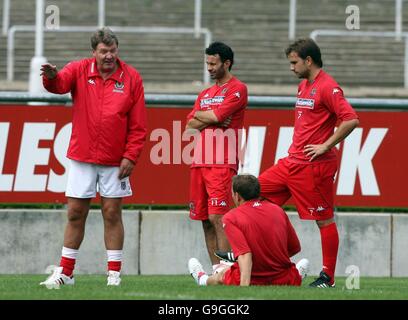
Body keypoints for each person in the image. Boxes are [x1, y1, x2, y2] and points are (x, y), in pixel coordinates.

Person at [39, 27, 147, 287]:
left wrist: (131, 156)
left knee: (111, 213)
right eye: (103, 51)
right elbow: (59, 84)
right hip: (82, 156)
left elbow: (139, 124)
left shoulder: (131, 78)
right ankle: (66, 272)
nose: (108, 56)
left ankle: (114, 275)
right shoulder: (79, 69)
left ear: (117, 50)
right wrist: (51, 78)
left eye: (112, 50)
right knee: (75, 213)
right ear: (94, 52)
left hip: (115, 160)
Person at [185, 42, 248, 274]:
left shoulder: (238, 88)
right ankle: (216, 270)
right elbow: (190, 123)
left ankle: (229, 270)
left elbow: (218, 114)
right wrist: (213, 118)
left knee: (218, 217)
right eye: (207, 63)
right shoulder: (205, 93)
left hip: (222, 160)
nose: (209, 68)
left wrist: (212, 116)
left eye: (213, 63)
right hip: (199, 161)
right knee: (204, 218)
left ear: (227, 63)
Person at [188, 174, 309, 286]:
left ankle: (201, 278)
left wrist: (244, 287)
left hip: (252, 278)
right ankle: (297, 274)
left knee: (222, 274)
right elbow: (295, 248)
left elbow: (245, 255)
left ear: (237, 196)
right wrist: (268, 260)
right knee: (290, 273)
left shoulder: (231, 217)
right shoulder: (278, 210)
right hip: (283, 277)